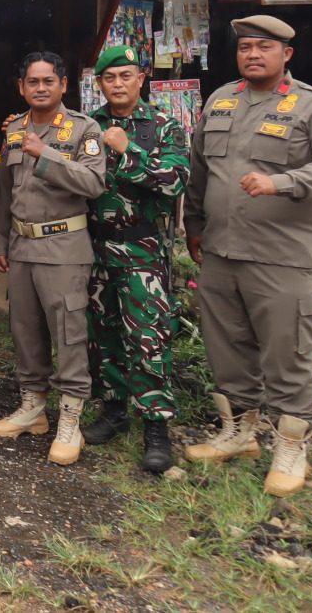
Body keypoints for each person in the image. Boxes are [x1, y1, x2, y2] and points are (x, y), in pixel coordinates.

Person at [184, 15, 312, 497]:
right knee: (226, 346)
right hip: (221, 251)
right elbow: (201, 170)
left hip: (282, 257)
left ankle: (290, 446)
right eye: (245, 48)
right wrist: (193, 224)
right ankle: (238, 433)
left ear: (286, 54)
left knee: (287, 354)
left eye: (263, 47)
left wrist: (281, 181)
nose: (253, 54)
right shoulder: (221, 100)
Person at [0, 51, 105, 465]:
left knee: (69, 334)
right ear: (22, 87)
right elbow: (3, 190)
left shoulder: (84, 129)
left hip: (65, 247)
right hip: (22, 245)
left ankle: (70, 421)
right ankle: (32, 408)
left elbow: (93, 182)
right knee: (25, 329)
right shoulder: (14, 128)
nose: (40, 88)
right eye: (32, 82)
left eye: (48, 81)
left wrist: (45, 154)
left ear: (64, 85)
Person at [81, 44, 189, 474]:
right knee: (102, 334)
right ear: (100, 83)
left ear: (141, 78)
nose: (119, 84)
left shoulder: (162, 125)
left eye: (126, 75)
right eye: (110, 78)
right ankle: (113, 411)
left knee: (148, 339)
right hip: (96, 248)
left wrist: (129, 151)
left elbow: (175, 182)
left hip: (142, 250)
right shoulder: (89, 125)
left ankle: (156, 428)